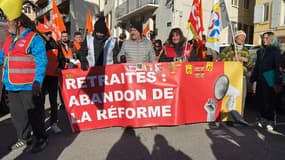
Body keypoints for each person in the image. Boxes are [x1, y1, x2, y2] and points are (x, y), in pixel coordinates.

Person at [0, 11, 48, 152]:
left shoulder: (34, 39)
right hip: (11, 85)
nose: (7, 24)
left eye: (9, 21)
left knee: (34, 115)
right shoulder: (10, 39)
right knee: (18, 117)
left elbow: (42, 61)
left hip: (29, 86)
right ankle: (24, 138)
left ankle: (41, 138)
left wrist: (38, 82)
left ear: (18, 22)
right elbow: (3, 56)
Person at [250, 31, 282, 130]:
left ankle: (271, 121)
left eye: (266, 38)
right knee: (261, 100)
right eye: (263, 38)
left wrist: (277, 81)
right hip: (260, 78)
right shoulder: (260, 51)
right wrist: (253, 78)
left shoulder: (275, 51)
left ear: (271, 39)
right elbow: (257, 66)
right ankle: (263, 118)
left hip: (270, 78)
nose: (264, 40)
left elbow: (278, 67)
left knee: (270, 101)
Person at [219, 30, 253, 116]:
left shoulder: (246, 50)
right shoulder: (228, 49)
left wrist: (245, 60)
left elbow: (250, 65)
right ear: (235, 38)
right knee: (229, 96)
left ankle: (239, 115)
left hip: (242, 77)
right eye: (240, 37)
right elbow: (220, 61)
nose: (242, 39)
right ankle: (228, 116)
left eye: (244, 37)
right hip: (231, 77)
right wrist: (232, 59)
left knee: (241, 97)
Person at [39, 30, 63, 134]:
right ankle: (40, 125)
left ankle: (54, 123)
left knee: (53, 102)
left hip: (53, 77)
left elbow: (61, 58)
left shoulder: (56, 44)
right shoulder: (38, 44)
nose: (49, 35)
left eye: (50, 33)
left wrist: (60, 67)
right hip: (42, 78)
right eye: (46, 33)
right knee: (40, 102)